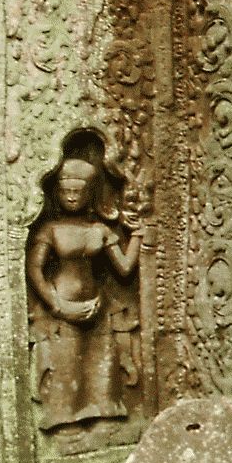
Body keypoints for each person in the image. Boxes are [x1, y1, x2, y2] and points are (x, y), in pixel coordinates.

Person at [26, 155, 142, 429]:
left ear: (90, 194)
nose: (71, 197)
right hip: (62, 310)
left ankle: (106, 419)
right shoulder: (51, 230)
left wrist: (138, 234)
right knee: (66, 367)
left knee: (103, 366)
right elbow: (34, 268)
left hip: (97, 309)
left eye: (78, 192)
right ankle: (65, 424)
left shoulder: (99, 230)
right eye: (65, 191)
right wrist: (58, 305)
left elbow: (125, 268)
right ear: (57, 193)